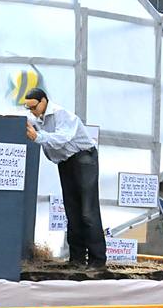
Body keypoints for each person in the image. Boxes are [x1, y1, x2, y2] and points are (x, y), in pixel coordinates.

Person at [23, 87, 107, 272]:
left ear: (44, 101)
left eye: (34, 107)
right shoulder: (36, 119)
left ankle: (97, 260)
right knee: (72, 210)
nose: (32, 111)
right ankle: (76, 258)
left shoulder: (62, 115)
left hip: (83, 158)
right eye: (28, 108)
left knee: (87, 211)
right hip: (66, 161)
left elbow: (62, 139)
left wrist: (38, 136)